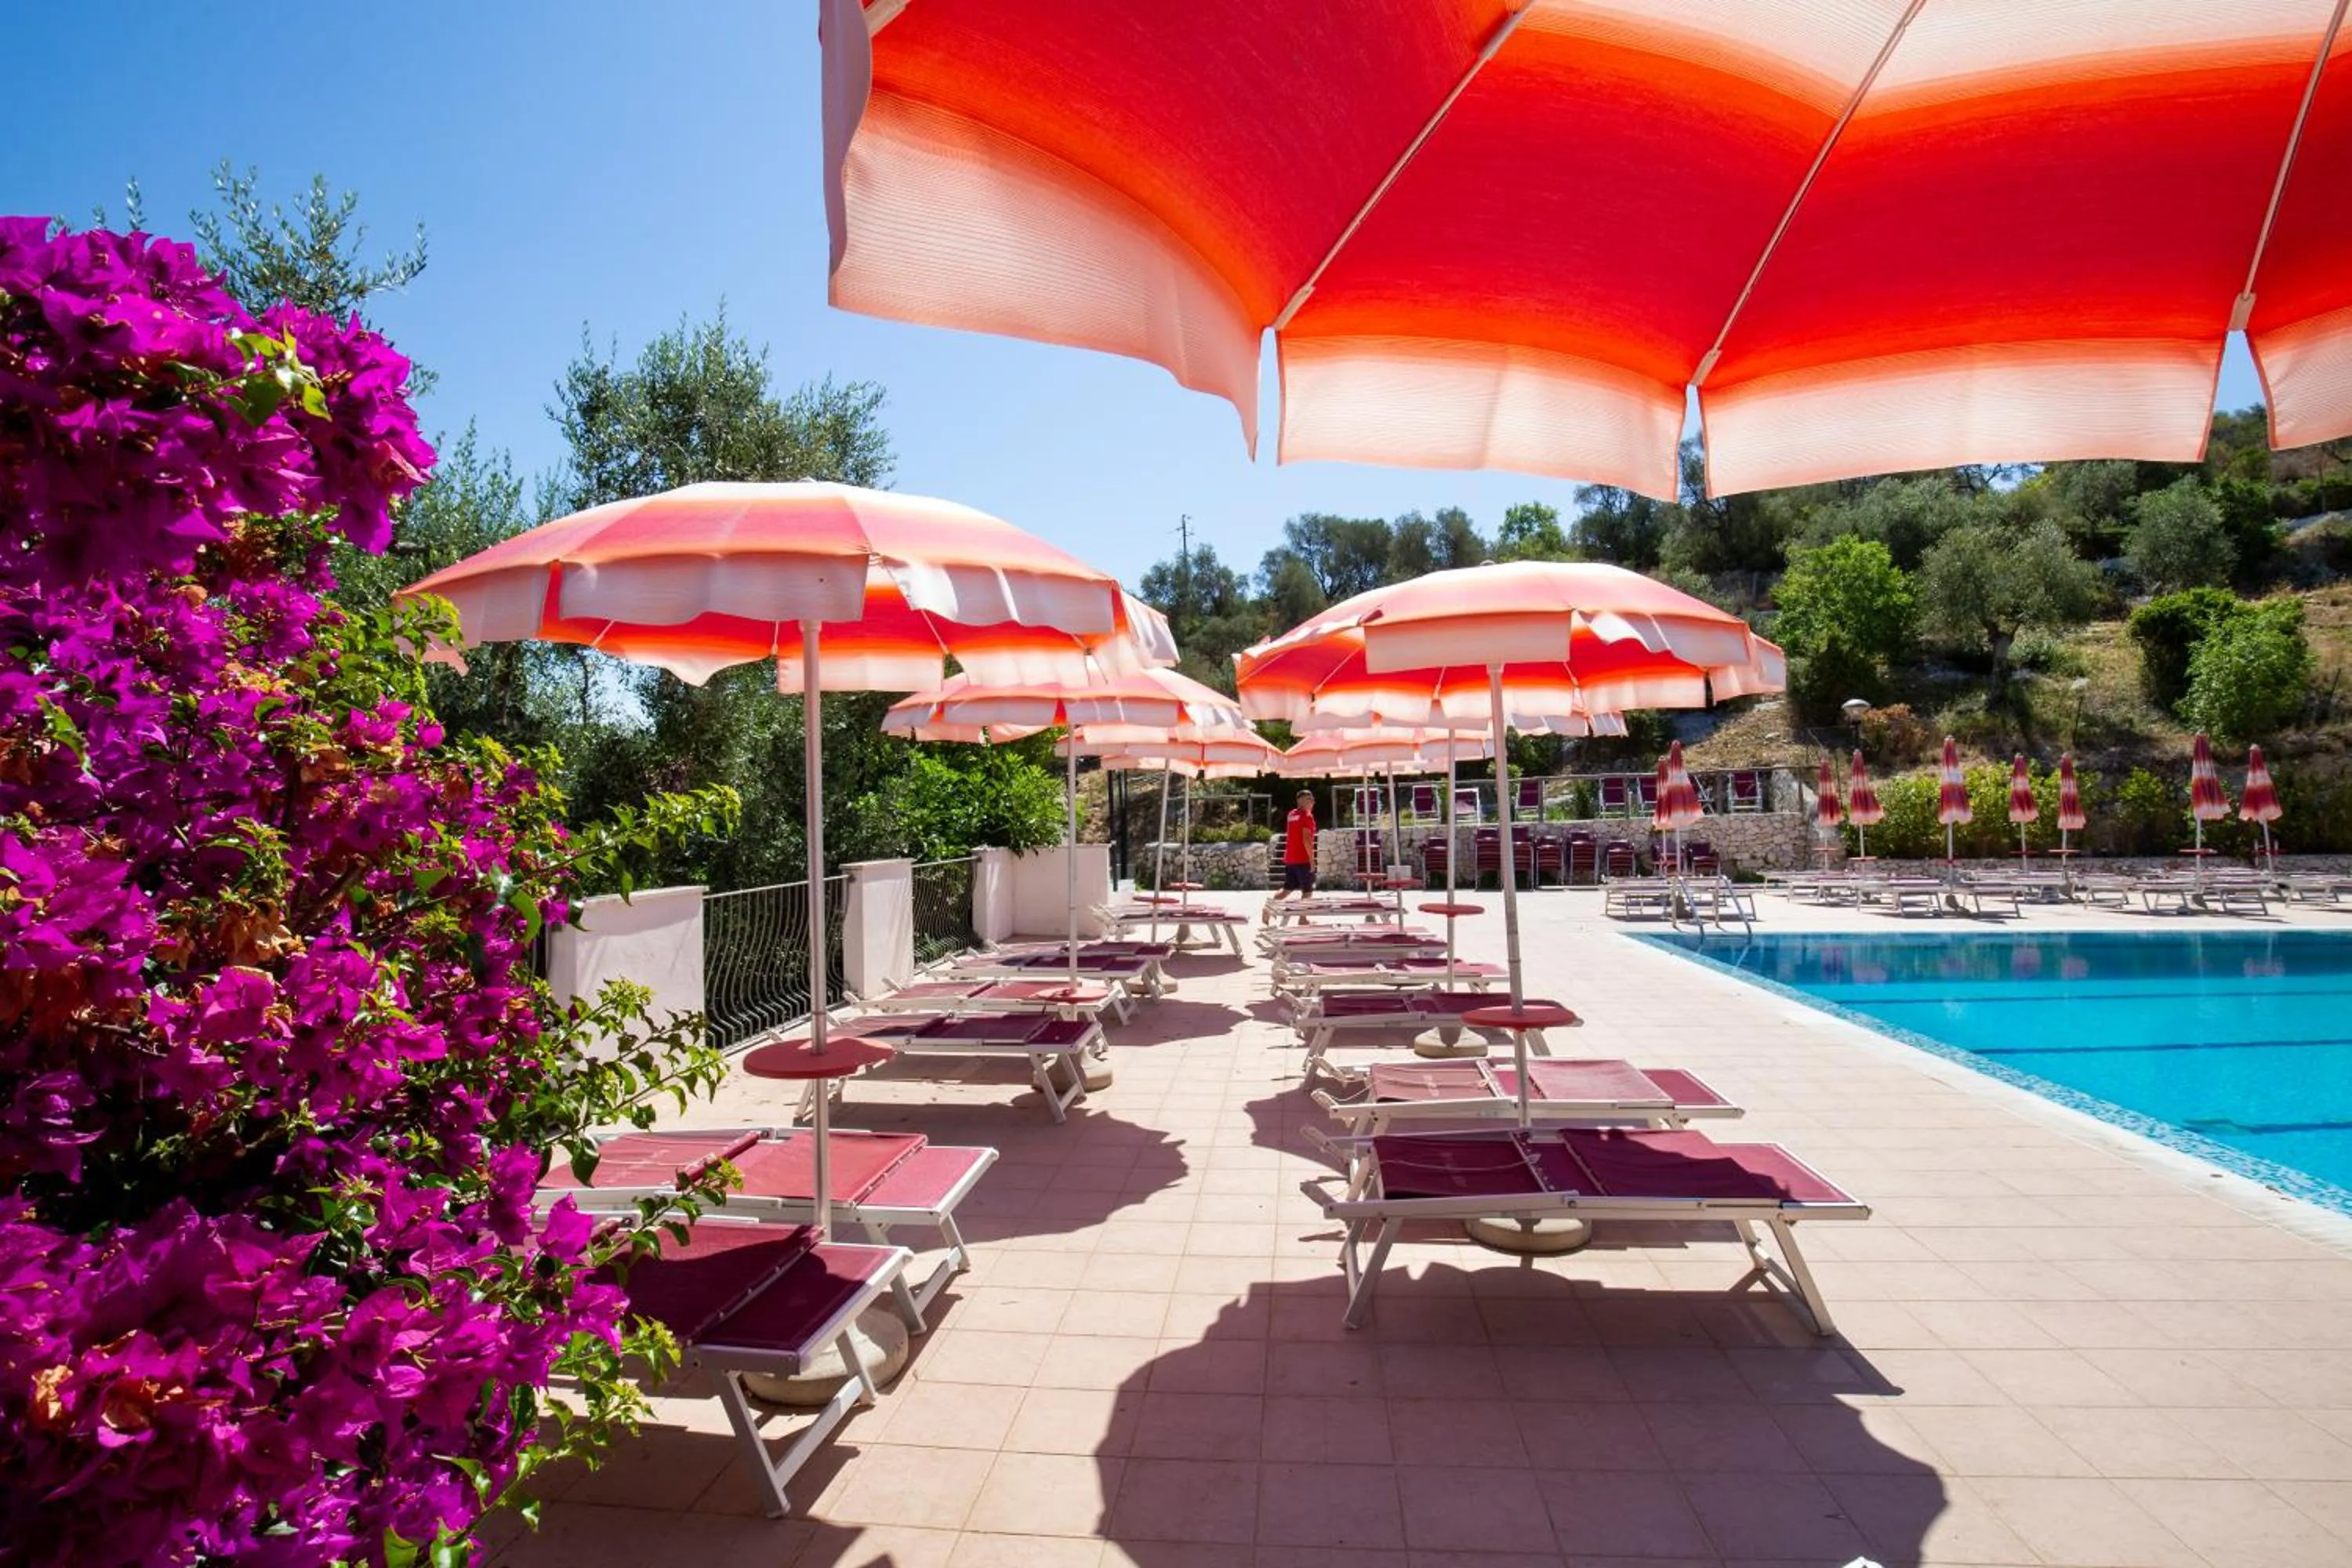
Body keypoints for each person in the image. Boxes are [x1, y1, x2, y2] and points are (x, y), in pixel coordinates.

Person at [1272, 789, 1318, 905]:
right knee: (1308, 891)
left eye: (1312, 799)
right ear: (1301, 801)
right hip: (1302, 860)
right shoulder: (1307, 817)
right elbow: (1307, 840)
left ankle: (1268, 908)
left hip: (1290, 859)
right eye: (1310, 799)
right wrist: (1312, 861)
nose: (1313, 801)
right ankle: (1303, 919)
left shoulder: (1292, 815)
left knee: (1287, 889)